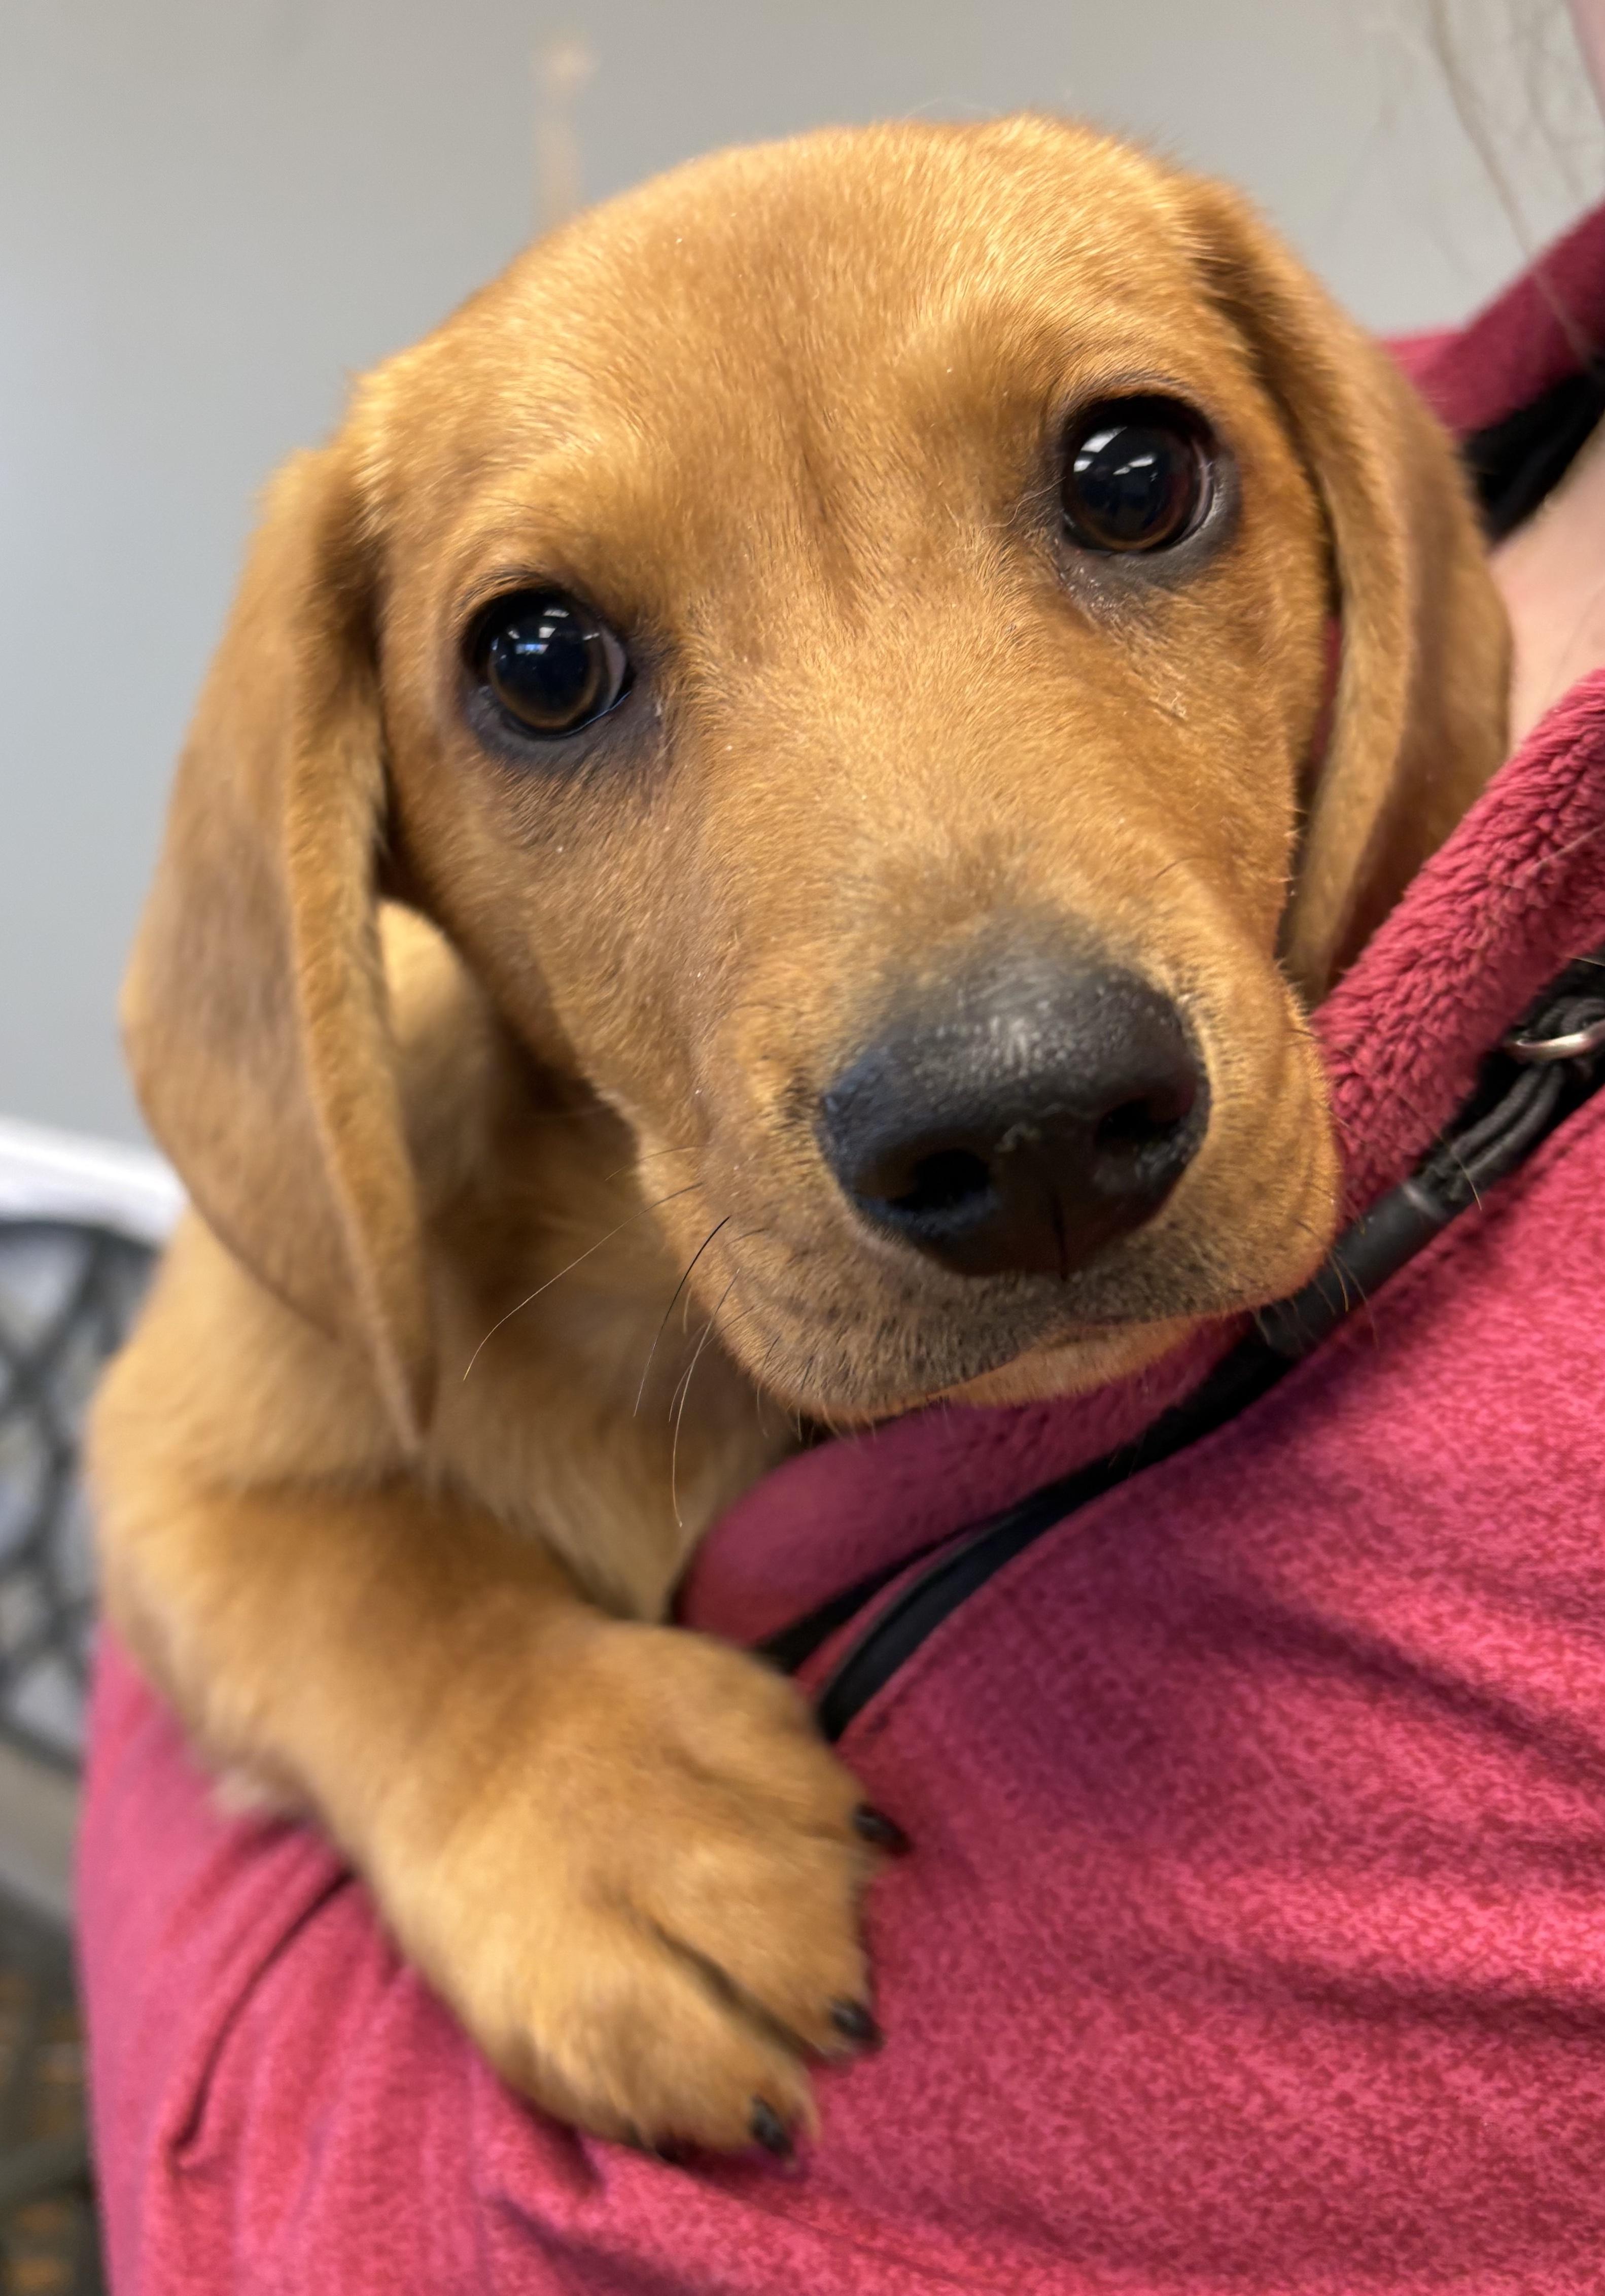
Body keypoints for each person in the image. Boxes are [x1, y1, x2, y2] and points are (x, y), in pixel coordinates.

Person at [80, 10, 1605, 2289]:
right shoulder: (371, 1150)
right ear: (359, 848)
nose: (1005, 1056)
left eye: (1119, 487)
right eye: (551, 668)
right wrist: (462, 1715)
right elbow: (198, 1487)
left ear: (1357, 572)